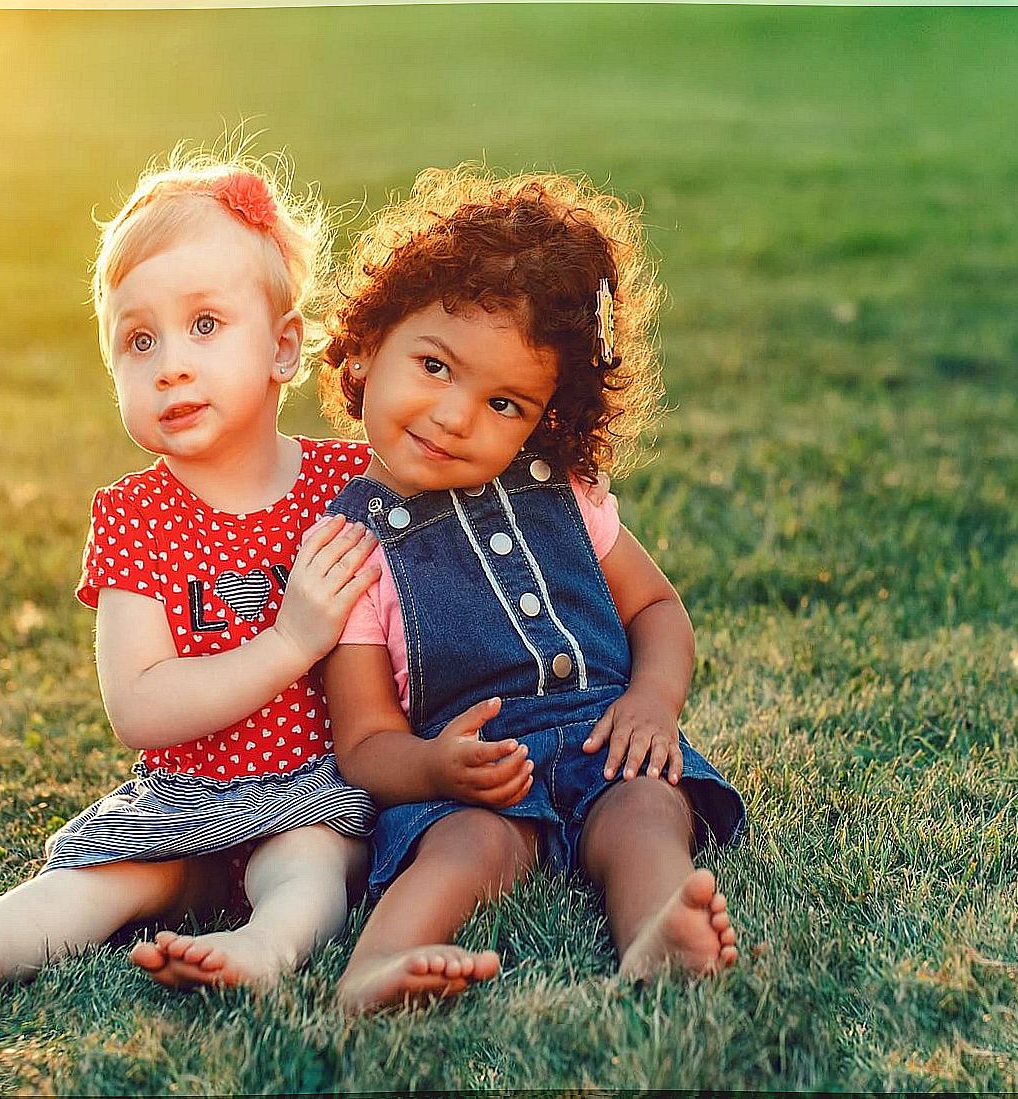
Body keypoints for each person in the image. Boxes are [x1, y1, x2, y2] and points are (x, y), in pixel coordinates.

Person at [0, 152, 382, 1003]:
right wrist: (292, 639)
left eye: (206, 325)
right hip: (180, 800)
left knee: (310, 871)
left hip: (311, 791)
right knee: (102, 878)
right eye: (138, 340)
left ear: (284, 346)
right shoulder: (133, 516)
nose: (171, 364)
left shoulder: (351, 485)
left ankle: (262, 950)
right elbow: (139, 705)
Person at [316, 166, 749, 1012]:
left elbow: (657, 609)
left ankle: (659, 931)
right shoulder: (349, 549)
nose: (455, 415)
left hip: (601, 743)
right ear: (367, 343)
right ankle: (376, 966)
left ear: (548, 414)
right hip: (473, 777)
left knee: (646, 811)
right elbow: (364, 741)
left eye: (505, 402)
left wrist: (654, 703)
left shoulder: (568, 497)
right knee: (466, 849)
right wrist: (438, 765)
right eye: (435, 365)